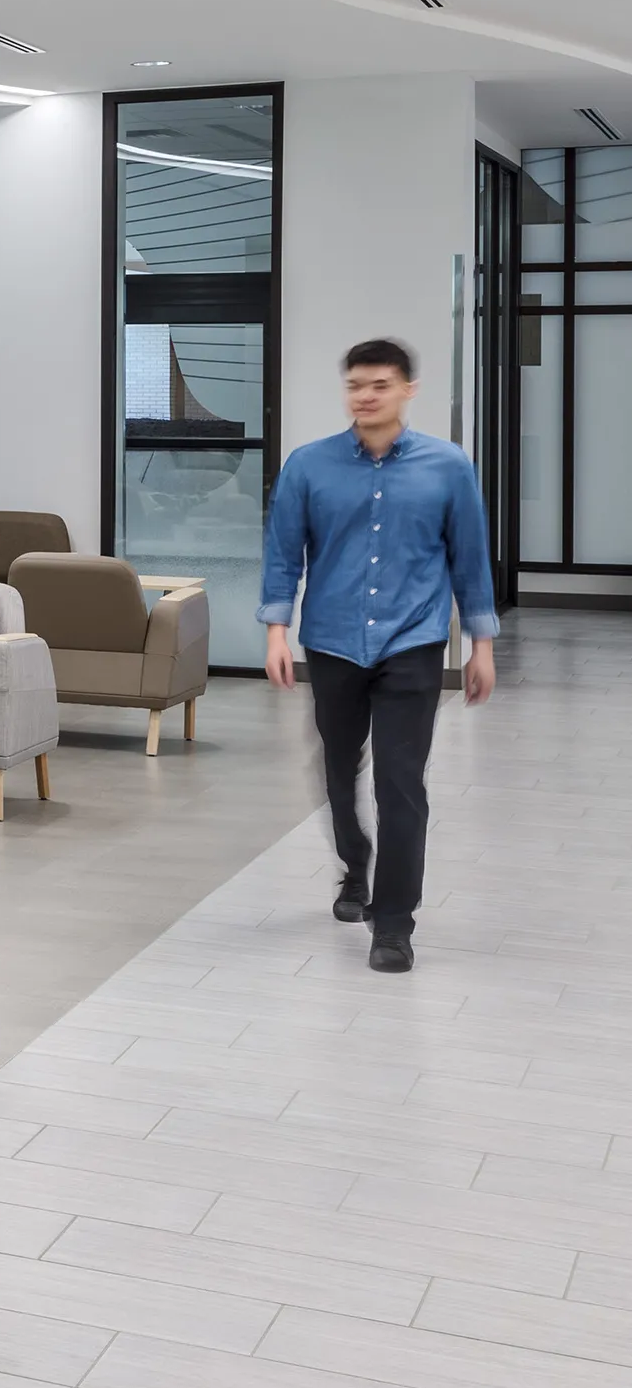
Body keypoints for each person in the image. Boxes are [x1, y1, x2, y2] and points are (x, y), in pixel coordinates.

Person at [261, 336, 497, 975]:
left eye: (380, 385)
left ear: (407, 390)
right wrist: (276, 632)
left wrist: (480, 645)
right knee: (340, 769)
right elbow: (283, 554)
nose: (365, 397)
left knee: (400, 782)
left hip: (413, 642)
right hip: (332, 641)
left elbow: (470, 558)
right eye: (355, 385)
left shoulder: (448, 466)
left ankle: (393, 923)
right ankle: (354, 862)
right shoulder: (308, 466)